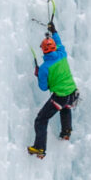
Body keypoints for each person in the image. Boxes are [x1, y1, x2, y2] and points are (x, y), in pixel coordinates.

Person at [30, 26, 78, 158]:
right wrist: (54, 31)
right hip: (73, 93)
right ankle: (66, 131)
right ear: (54, 47)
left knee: (41, 119)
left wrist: (38, 74)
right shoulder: (62, 54)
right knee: (65, 107)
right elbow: (60, 43)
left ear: (43, 51)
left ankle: (40, 148)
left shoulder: (45, 68)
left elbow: (43, 87)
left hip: (61, 96)